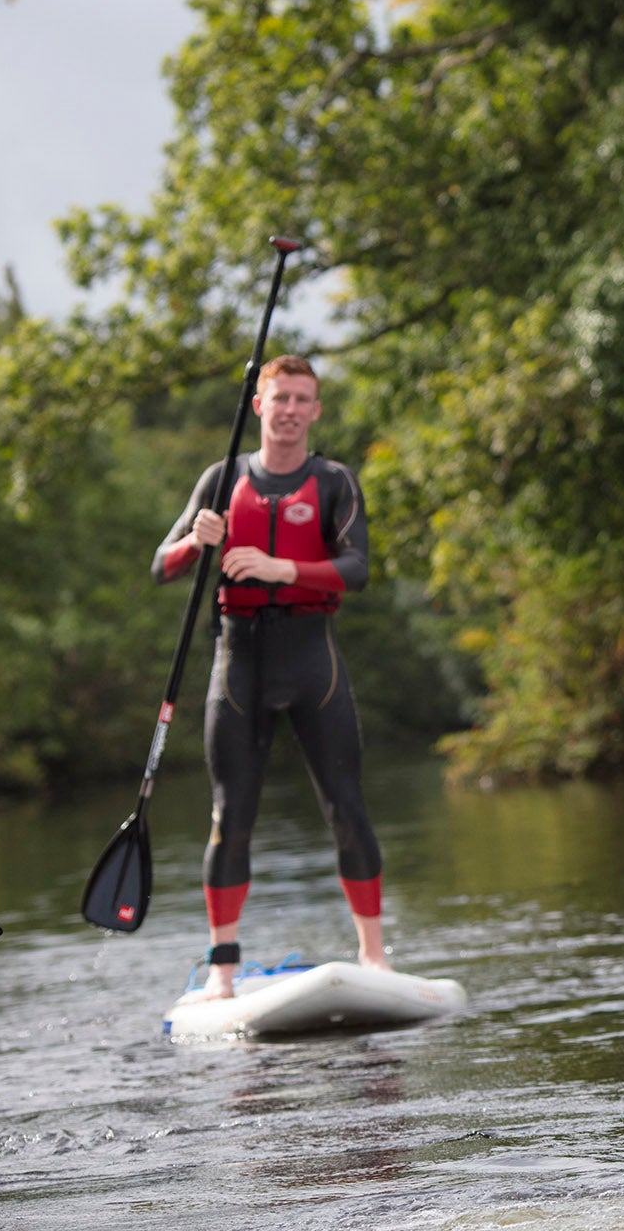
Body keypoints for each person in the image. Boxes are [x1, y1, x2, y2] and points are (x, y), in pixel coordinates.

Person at [152, 355, 383, 999]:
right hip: (239, 663)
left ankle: (374, 957)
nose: (289, 410)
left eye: (301, 399)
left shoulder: (334, 481)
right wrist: (197, 542)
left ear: (314, 410)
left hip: (314, 661)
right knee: (231, 817)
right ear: (259, 406)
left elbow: (357, 569)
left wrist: (283, 570)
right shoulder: (221, 479)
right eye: (278, 397)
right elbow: (161, 568)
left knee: (347, 808)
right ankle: (223, 973)